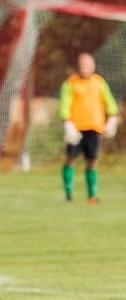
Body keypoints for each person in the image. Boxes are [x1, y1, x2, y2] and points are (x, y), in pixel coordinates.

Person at [60, 53, 119, 204]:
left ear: (93, 66)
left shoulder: (100, 82)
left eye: (87, 64)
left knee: (92, 160)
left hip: (94, 128)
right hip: (76, 129)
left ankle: (92, 196)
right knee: (70, 159)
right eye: (81, 64)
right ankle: (68, 195)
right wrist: (67, 123)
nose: (84, 67)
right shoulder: (71, 83)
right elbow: (65, 104)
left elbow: (110, 103)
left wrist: (112, 118)